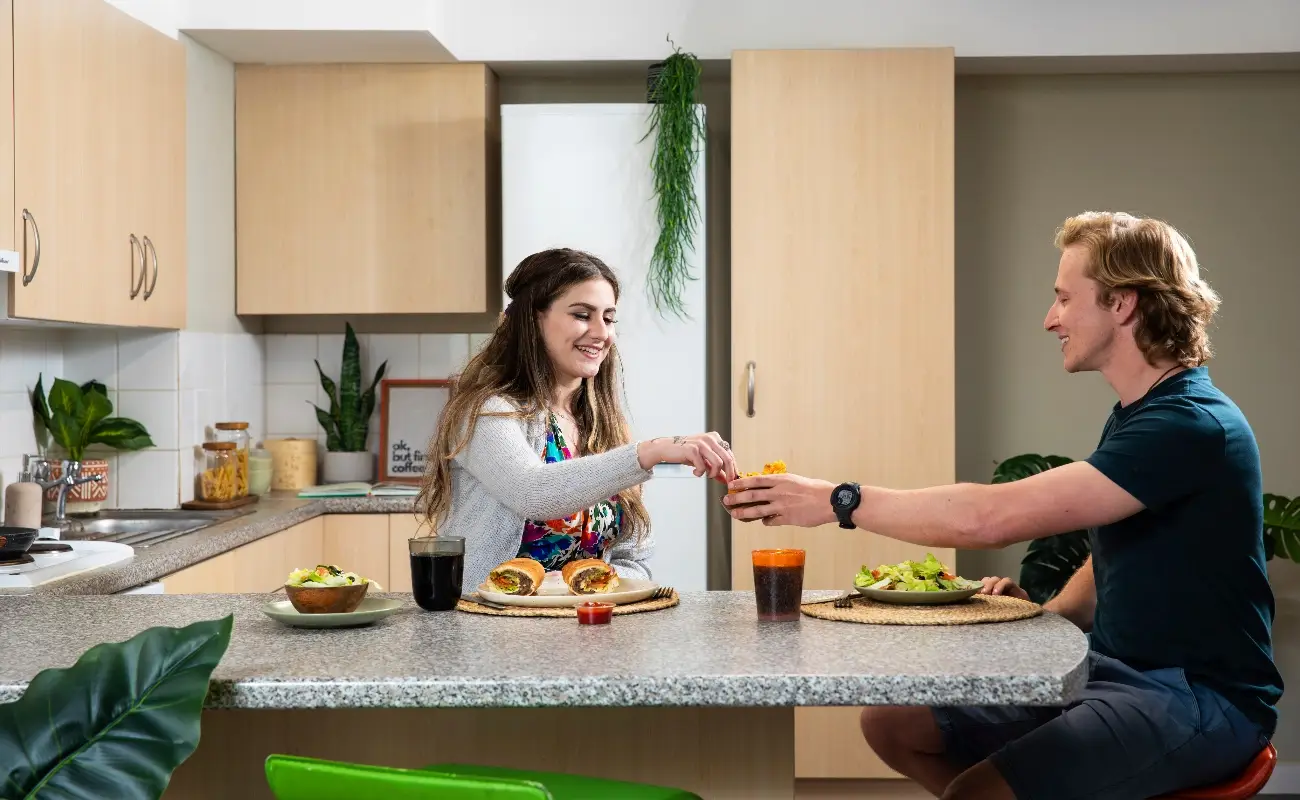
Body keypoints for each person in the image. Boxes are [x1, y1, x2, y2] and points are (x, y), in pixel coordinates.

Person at [723, 211, 1282, 800]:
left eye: (1065, 298)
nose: (1051, 319)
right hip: (1115, 675)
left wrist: (837, 501)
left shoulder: (1188, 423)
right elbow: (1118, 546)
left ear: (1122, 302)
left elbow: (986, 518)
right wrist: (1046, 617)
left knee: (977, 794)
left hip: (1193, 695)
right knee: (892, 723)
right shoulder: (1143, 412)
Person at [419, 247, 737, 590]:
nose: (602, 332)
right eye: (583, 315)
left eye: (609, 318)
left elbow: (634, 561)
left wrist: (597, 586)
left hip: (587, 631)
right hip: (492, 630)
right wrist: (653, 450)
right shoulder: (487, 411)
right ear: (533, 319)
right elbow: (534, 492)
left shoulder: (605, 428)